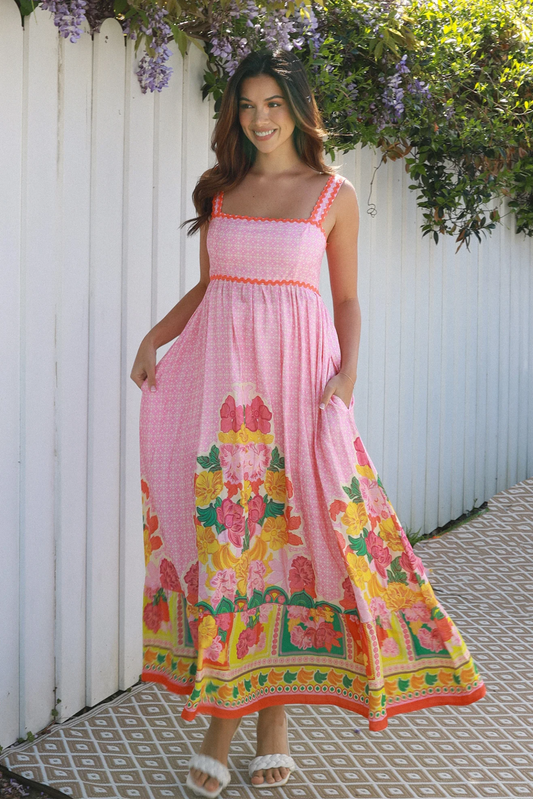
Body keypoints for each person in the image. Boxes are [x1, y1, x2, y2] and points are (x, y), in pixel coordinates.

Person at [130, 48, 486, 799]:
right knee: (234, 545)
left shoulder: (332, 194)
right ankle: (241, 722)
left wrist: (347, 376)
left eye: (273, 105)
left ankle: (253, 725)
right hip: (226, 396)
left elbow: (346, 299)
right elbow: (211, 288)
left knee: (294, 538)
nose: (259, 120)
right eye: (247, 106)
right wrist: (155, 337)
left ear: (297, 111)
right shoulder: (222, 190)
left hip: (299, 388)